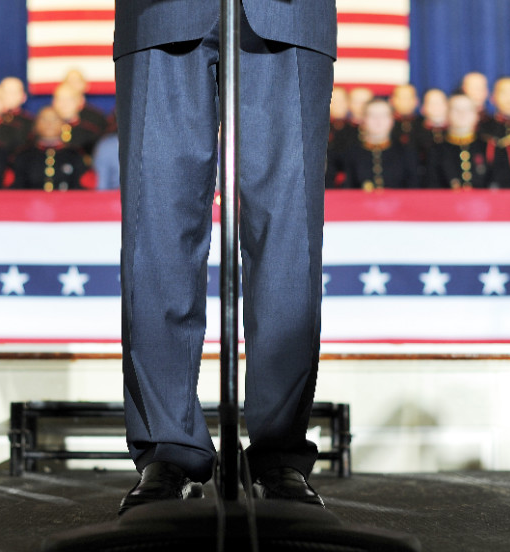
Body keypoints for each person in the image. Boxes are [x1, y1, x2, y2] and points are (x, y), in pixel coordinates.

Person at [113, 0, 336, 514]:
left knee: (287, 235)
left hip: (289, 12)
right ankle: (167, 449)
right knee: (158, 232)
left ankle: (278, 453)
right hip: (160, 11)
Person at [426, 93, 507, 189]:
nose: (462, 114)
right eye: (456, 110)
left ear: (477, 115)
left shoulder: (490, 147)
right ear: (447, 114)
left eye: (468, 109)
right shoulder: (436, 150)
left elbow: (499, 184)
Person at [341, 99, 418, 190]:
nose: (378, 120)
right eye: (372, 115)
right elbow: (348, 187)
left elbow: (413, 187)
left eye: (383, 115)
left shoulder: (405, 152)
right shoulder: (352, 153)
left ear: (391, 120)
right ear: (364, 120)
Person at [12, 106, 90, 191]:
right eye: (44, 119)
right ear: (35, 125)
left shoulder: (74, 156)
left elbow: (81, 190)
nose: (49, 124)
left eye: (54, 120)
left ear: (63, 125)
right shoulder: (24, 156)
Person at [52, 82, 106, 155]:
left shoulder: (91, 131)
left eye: (69, 100)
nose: (63, 104)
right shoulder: (44, 131)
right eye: (59, 99)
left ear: (81, 102)